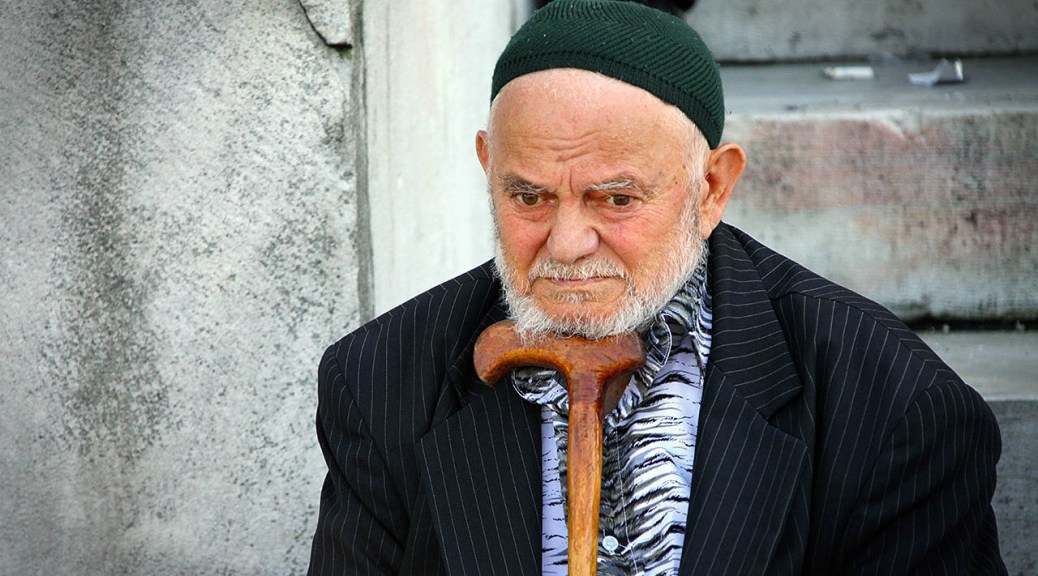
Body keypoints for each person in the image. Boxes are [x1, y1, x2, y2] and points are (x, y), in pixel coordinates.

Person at [306, 1, 1006, 574]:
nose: (566, 244)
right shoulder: (381, 383)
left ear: (711, 189)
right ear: (488, 167)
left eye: (615, 200)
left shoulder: (892, 406)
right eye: (529, 196)